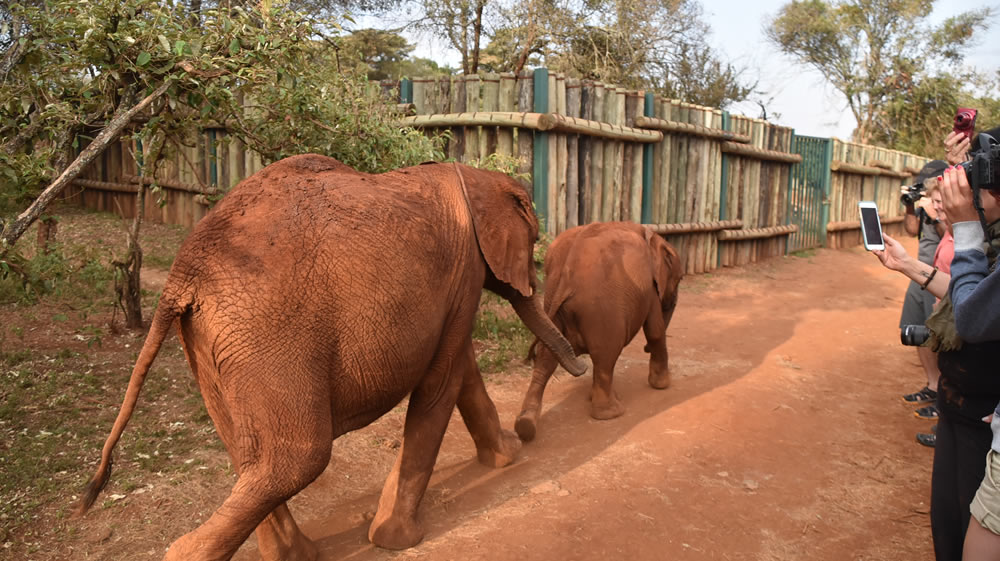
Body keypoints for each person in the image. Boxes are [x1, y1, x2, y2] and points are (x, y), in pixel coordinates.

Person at [873, 157, 1000, 561]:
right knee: (947, 523)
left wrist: (963, 228)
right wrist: (908, 264)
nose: (960, 194)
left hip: (983, 414)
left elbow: (974, 317)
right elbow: (974, 298)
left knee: (969, 527)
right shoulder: (992, 238)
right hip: (959, 403)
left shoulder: (978, 236)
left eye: (973, 186)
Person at [899, 161, 949, 420]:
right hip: (918, 271)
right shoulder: (928, 202)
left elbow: (952, 235)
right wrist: (909, 204)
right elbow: (912, 230)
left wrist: (936, 214)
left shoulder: (946, 203)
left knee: (938, 334)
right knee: (917, 329)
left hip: (939, 275)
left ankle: (944, 395)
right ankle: (931, 385)